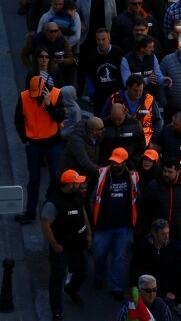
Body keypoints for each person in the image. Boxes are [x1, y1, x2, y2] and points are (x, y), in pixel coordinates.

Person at [88, 147, 140, 300]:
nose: (114, 165)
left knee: (120, 257)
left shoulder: (133, 177)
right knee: (99, 253)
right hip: (103, 226)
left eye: (118, 163)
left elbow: (138, 199)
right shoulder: (100, 174)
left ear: (125, 163)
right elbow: (90, 199)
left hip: (123, 227)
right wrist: (92, 222)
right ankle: (99, 274)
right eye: (113, 162)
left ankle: (115, 286)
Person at [41, 168, 91, 318]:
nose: (80, 184)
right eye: (77, 183)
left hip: (79, 244)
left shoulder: (77, 195)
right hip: (62, 248)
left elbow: (82, 212)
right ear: (69, 185)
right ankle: (56, 310)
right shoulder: (53, 202)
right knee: (57, 279)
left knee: (83, 272)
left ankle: (72, 289)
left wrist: (89, 233)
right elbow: (45, 224)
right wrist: (54, 244)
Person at [14, 75, 65, 224]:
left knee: (56, 176)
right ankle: (30, 213)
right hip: (34, 144)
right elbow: (18, 119)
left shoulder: (56, 94)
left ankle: (54, 209)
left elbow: (60, 118)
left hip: (53, 143)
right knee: (34, 179)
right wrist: (25, 139)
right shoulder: (24, 96)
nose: (35, 98)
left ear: (44, 90)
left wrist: (49, 104)